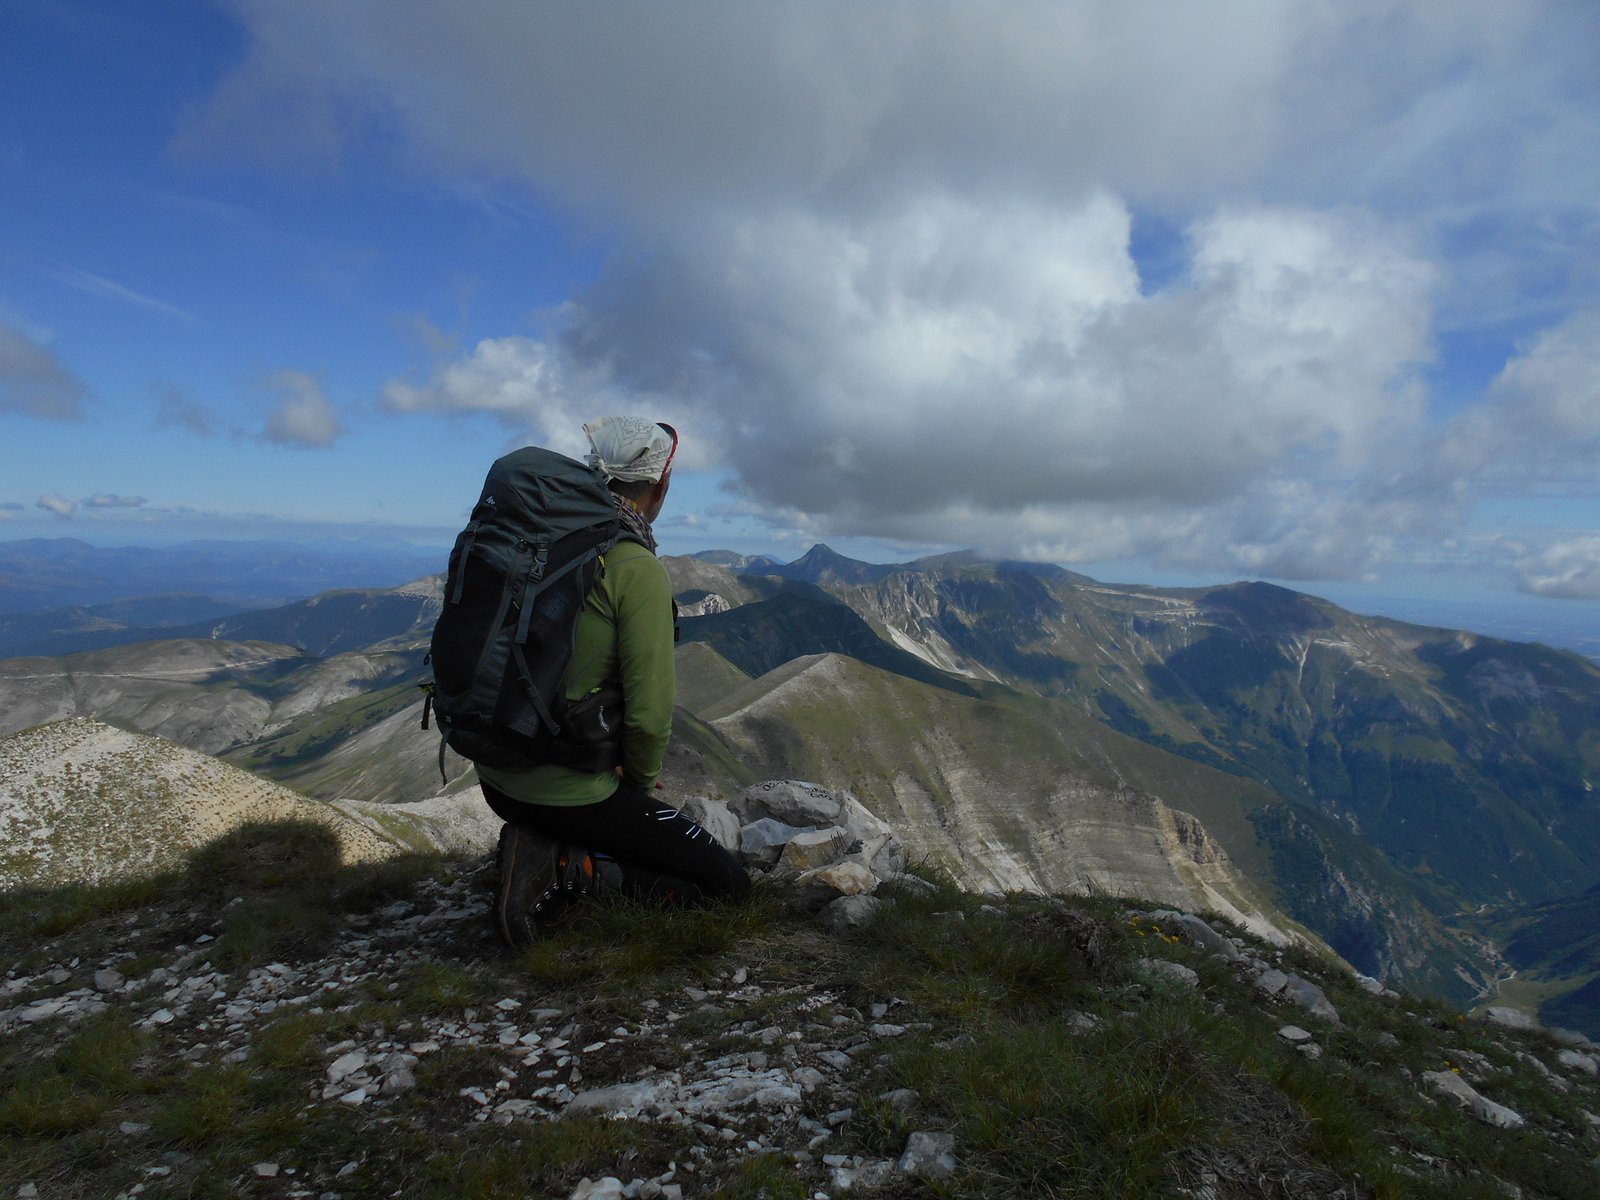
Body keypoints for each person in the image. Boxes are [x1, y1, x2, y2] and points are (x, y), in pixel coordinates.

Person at [478, 416, 750, 946]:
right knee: (729, 886)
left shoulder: (536, 543)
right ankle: (562, 870)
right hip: (561, 790)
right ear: (660, 486)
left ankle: (550, 843)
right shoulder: (634, 566)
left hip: (496, 775)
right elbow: (649, 718)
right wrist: (637, 794)